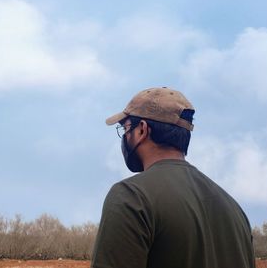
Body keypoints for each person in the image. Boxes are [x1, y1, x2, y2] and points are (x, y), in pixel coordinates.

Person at [91, 87, 256, 268]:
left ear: (142, 130)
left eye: (126, 128)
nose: (124, 136)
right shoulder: (234, 209)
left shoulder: (132, 197)